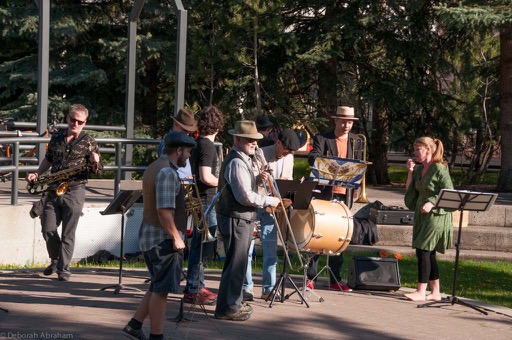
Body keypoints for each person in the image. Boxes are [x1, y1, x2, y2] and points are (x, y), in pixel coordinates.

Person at [122, 131, 196, 340]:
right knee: (161, 291)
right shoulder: (167, 173)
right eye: (188, 152)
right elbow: (164, 211)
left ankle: (134, 325)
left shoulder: (155, 166)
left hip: (151, 237)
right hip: (162, 240)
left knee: (156, 285)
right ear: (179, 151)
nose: (189, 156)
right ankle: (157, 336)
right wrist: (176, 237)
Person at [26, 104, 102, 282]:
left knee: (69, 232)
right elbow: (49, 159)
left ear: (85, 122)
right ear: (68, 118)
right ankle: (56, 259)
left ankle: (63, 269)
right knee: (48, 228)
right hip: (53, 188)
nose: (75, 123)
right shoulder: (57, 137)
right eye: (73, 119)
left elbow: (98, 170)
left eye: (79, 121)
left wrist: (95, 161)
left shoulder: (89, 141)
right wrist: (37, 174)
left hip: (74, 190)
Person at [214, 120, 280, 321]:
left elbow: (244, 189)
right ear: (238, 139)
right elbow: (245, 196)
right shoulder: (236, 161)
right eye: (250, 140)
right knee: (236, 264)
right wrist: (269, 200)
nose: (254, 143)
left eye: (255, 140)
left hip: (238, 217)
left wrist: (258, 179)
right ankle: (229, 308)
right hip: (236, 218)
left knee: (236, 264)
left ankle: (230, 305)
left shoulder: (241, 159)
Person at [306, 106, 363, 292]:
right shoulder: (323, 138)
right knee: (318, 233)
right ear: (336, 121)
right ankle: (310, 277)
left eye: (350, 122)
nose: (347, 125)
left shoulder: (356, 141)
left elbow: (360, 163)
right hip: (325, 191)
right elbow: (312, 158)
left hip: (345, 192)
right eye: (344, 121)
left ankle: (335, 279)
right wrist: (332, 164)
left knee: (340, 236)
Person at [252, 129, 301, 300]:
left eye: (290, 152)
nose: (287, 154)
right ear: (278, 142)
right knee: (248, 248)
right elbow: (252, 182)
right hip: (258, 202)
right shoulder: (261, 153)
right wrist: (260, 178)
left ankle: (269, 288)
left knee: (270, 248)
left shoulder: (289, 157)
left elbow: (286, 179)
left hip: (274, 206)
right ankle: (246, 288)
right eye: (285, 149)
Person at [183, 105, 224, 305]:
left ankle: (196, 285)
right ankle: (193, 288)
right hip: (206, 200)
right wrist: (225, 181)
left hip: (201, 200)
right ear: (218, 126)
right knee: (202, 248)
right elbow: (206, 176)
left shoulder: (198, 143)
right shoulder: (207, 146)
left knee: (201, 246)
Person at [403, 137, 453, 302]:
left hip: (436, 215)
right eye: (415, 149)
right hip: (421, 214)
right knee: (429, 253)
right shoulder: (419, 169)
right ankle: (436, 292)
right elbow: (410, 190)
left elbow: (449, 192)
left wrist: (432, 203)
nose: (415, 153)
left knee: (423, 250)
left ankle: (421, 291)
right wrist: (410, 172)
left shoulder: (439, 168)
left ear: (428, 150)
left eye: (418, 149)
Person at [157, 108, 198, 178]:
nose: (187, 134)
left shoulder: (179, 142)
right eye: (184, 131)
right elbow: (166, 168)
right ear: (176, 124)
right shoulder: (167, 143)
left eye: (189, 132)